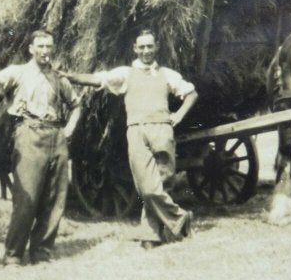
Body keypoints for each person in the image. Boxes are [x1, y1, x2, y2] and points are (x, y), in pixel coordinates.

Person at [61, 29, 198, 249]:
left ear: (156, 47)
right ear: (135, 48)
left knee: (163, 183)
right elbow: (99, 80)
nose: (146, 51)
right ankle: (180, 217)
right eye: (141, 47)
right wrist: (71, 77)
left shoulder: (167, 74)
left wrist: (178, 115)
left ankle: (151, 235)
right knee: (146, 187)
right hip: (136, 131)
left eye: (149, 46)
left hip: (162, 130)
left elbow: (191, 94)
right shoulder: (126, 73)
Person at [0, 30, 80, 266]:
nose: (45, 51)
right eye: (41, 46)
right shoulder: (18, 73)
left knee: (55, 199)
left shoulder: (58, 78)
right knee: (27, 199)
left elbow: (76, 105)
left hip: (56, 135)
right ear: (31, 49)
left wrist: (68, 130)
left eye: (49, 47)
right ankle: (13, 255)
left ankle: (41, 253)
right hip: (29, 133)